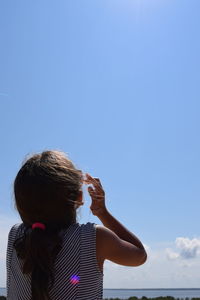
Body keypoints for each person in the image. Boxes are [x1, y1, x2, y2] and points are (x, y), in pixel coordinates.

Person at [7, 150, 147, 300]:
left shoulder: (16, 235)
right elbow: (139, 256)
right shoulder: (93, 238)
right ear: (80, 198)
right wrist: (102, 212)